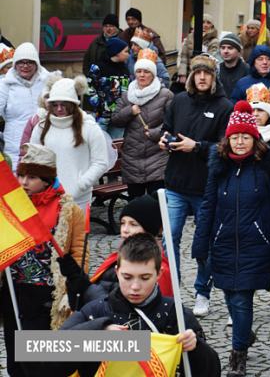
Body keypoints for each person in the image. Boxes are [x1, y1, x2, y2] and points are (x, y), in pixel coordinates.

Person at [191, 101, 270, 376]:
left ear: (254, 138)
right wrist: (200, 245)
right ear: (228, 139)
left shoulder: (267, 166)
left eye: (245, 137)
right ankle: (244, 333)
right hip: (222, 243)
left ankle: (238, 357)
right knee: (228, 294)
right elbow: (208, 207)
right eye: (234, 137)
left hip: (255, 244)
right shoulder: (219, 167)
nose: (239, 142)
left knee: (241, 299)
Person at [56, 233, 220, 377]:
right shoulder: (95, 311)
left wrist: (196, 347)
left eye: (145, 278)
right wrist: (96, 332)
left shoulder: (176, 315)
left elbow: (211, 371)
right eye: (127, 277)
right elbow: (50, 355)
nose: (135, 286)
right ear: (117, 272)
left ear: (159, 273)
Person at [1, 144, 87, 377]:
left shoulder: (67, 210)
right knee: (15, 352)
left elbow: (78, 251)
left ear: (48, 179)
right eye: (20, 175)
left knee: (40, 358)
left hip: (46, 296)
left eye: (31, 177)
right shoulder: (11, 206)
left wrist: (74, 289)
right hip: (14, 290)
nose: (23, 182)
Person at [159, 54, 232, 317]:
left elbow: (227, 147)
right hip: (176, 183)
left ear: (214, 78)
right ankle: (171, 293)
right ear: (190, 76)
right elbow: (166, 128)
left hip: (206, 188)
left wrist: (198, 146)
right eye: (197, 73)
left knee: (206, 244)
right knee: (170, 239)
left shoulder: (224, 106)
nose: (202, 77)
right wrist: (163, 139)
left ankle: (202, 292)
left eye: (207, 73)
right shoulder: (179, 100)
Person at [61, 195, 172, 314]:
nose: (124, 229)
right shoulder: (119, 255)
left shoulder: (158, 267)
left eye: (133, 224)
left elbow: (135, 318)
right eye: (123, 223)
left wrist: (88, 289)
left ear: (150, 229)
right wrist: (76, 278)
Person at [30, 76, 108, 211]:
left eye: (64, 104)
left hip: (78, 198)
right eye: (55, 105)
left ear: (73, 104)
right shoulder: (42, 127)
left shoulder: (89, 127)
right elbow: (33, 158)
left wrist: (81, 184)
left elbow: (101, 162)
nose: (59, 109)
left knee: (76, 232)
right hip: (47, 195)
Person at [111, 52, 174, 198]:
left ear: (153, 74)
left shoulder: (165, 95)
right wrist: (130, 111)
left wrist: (155, 133)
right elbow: (116, 121)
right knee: (135, 205)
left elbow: (173, 123)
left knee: (157, 204)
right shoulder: (128, 95)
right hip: (132, 158)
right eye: (139, 71)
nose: (142, 75)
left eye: (146, 72)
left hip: (157, 157)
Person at [0, 43, 57, 170]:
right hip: (15, 146)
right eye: (21, 62)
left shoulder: (48, 81)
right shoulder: (5, 84)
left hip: (45, 143)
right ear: (15, 64)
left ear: (36, 63)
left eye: (29, 62)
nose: (25, 66)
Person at [86, 37, 131, 139]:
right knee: (99, 142)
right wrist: (100, 105)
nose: (128, 54)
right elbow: (88, 88)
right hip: (102, 116)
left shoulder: (125, 70)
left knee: (117, 144)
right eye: (126, 52)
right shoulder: (98, 67)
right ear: (117, 52)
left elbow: (129, 90)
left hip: (119, 116)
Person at [178, 13, 219, 83]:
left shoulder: (214, 41)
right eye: (203, 22)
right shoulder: (190, 37)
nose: (205, 25)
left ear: (211, 25)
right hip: (189, 72)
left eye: (208, 23)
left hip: (203, 75)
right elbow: (184, 57)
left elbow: (210, 60)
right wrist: (182, 74)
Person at [216, 33, 250, 98]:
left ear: (238, 51)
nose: (225, 51)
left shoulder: (247, 70)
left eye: (230, 48)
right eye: (223, 48)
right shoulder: (216, 69)